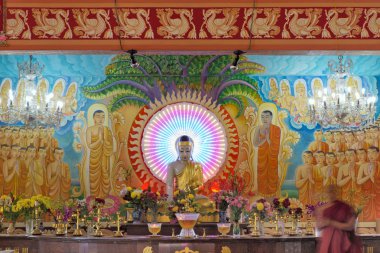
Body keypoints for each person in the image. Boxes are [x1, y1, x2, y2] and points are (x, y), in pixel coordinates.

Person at [316, 185, 362, 253]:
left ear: (337, 193)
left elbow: (350, 226)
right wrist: (322, 223)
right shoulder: (322, 209)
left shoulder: (346, 207)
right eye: (329, 192)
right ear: (325, 193)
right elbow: (318, 226)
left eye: (333, 191)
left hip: (341, 242)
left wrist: (330, 222)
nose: (331, 194)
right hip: (327, 241)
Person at [166, 135, 203, 201]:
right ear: (177, 151)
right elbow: (169, 185)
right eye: (181, 151)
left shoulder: (197, 165)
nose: (185, 154)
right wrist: (170, 199)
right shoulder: (172, 165)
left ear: (192, 150)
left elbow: (200, 185)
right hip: (179, 196)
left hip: (193, 197)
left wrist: (190, 192)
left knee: (207, 203)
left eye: (188, 151)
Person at [253, 110, 281, 197]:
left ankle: (273, 195)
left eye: (267, 116)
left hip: (272, 157)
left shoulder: (276, 129)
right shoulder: (258, 128)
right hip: (262, 156)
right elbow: (255, 143)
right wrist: (265, 139)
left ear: (271, 117)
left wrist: (268, 138)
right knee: (262, 175)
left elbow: (276, 146)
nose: (264, 119)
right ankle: (262, 194)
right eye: (262, 117)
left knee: (272, 174)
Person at [86, 109, 113, 198]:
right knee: (94, 177)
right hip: (94, 157)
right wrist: (99, 140)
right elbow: (90, 145)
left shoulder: (107, 129)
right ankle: (95, 198)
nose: (101, 119)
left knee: (105, 174)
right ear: (93, 118)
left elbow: (110, 146)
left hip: (104, 157)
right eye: (98, 116)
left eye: (103, 117)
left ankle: (104, 197)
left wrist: (106, 141)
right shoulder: (90, 129)